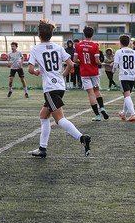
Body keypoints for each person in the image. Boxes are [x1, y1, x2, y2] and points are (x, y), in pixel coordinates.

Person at [25, 20, 91, 159]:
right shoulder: (58, 47)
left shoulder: (36, 49)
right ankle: (42, 148)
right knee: (43, 115)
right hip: (60, 86)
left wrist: (36, 71)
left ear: (38, 35)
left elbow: (30, 69)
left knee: (59, 119)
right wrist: (63, 75)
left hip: (50, 88)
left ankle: (82, 138)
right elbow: (71, 64)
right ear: (52, 33)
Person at [76, 27, 108, 122]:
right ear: (92, 34)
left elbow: (75, 60)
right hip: (94, 71)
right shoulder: (95, 46)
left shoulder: (78, 45)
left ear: (84, 34)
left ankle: (97, 115)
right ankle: (102, 107)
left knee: (90, 93)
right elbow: (97, 61)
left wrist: (82, 61)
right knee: (97, 90)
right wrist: (99, 63)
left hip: (84, 72)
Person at [114, 34, 135, 121]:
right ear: (129, 43)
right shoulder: (134, 52)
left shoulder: (118, 52)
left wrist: (113, 70)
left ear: (120, 42)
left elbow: (115, 64)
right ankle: (123, 113)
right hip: (132, 77)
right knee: (127, 95)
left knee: (127, 95)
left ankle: (133, 114)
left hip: (123, 76)